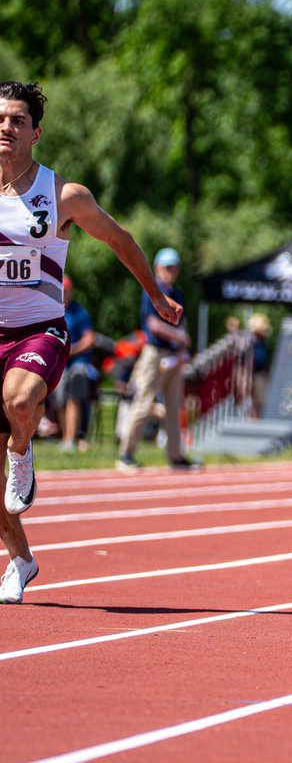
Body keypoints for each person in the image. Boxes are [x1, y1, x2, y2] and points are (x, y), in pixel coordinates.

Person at [0, 81, 182, 604]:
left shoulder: (63, 195)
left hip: (39, 330)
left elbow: (121, 240)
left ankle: (21, 450)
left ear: (36, 132)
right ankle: (22, 560)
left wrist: (157, 296)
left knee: (19, 399)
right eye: (0, 120)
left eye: (17, 120)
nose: (6, 128)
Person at [117, 247, 199, 472]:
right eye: (167, 267)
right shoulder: (152, 290)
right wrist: (180, 336)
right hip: (155, 354)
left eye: (174, 267)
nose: (171, 271)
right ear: (157, 268)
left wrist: (182, 348)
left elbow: (181, 322)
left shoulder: (177, 293)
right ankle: (126, 454)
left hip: (173, 356)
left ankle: (175, 455)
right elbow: (154, 325)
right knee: (143, 402)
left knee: (174, 407)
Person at [54, 275, 99, 450]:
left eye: (66, 290)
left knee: (74, 392)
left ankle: (71, 438)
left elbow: (90, 339)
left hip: (77, 361)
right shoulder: (52, 310)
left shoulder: (79, 311)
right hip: (59, 362)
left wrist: (72, 350)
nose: (64, 293)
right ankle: (66, 436)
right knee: (59, 398)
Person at [248, 312, 271, 419]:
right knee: (257, 400)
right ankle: (254, 417)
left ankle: (257, 417)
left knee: (260, 400)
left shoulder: (261, 341)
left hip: (259, 373)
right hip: (255, 373)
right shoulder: (253, 342)